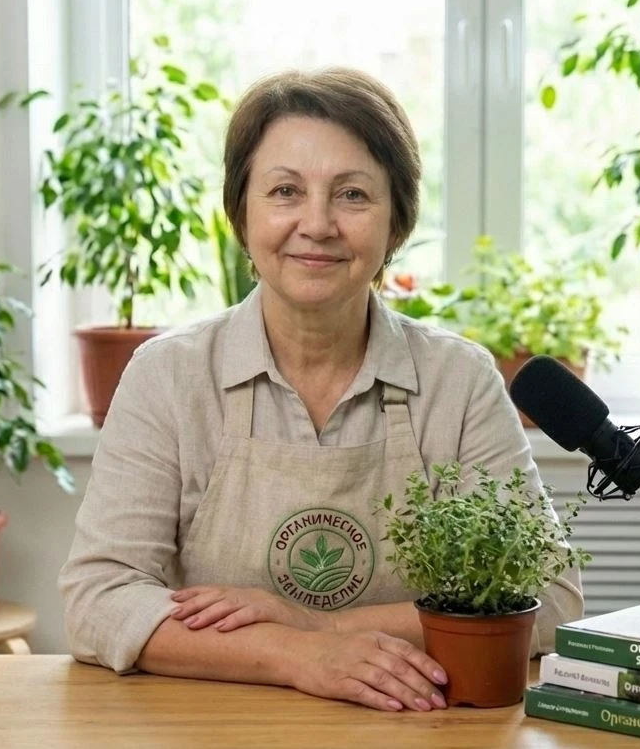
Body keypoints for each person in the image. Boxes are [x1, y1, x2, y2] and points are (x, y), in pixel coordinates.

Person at [58, 67, 583, 713]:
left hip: (414, 727)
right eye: (285, 191)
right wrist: (292, 655)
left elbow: (551, 598)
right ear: (241, 214)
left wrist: (320, 625)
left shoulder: (459, 380)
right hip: (211, 726)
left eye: (352, 195)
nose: (317, 223)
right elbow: (99, 599)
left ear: (396, 222)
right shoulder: (167, 376)